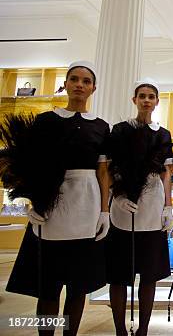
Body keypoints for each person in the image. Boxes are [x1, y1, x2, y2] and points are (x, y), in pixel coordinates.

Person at [6, 60, 111, 336]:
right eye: (74, 79)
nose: (80, 85)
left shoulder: (101, 127)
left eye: (86, 81)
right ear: (65, 84)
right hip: (51, 204)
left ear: (93, 88)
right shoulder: (45, 121)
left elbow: (103, 172)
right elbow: (30, 165)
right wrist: (32, 201)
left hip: (86, 205)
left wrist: (104, 211)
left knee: (79, 286)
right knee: (49, 286)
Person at [106, 78, 173, 336]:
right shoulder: (120, 130)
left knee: (149, 274)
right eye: (142, 96)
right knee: (118, 276)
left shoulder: (163, 134)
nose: (146, 100)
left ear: (156, 102)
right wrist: (118, 196)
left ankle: (143, 329)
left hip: (152, 205)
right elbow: (109, 168)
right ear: (134, 100)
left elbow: (166, 172)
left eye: (151, 96)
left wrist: (168, 207)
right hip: (123, 206)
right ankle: (119, 330)